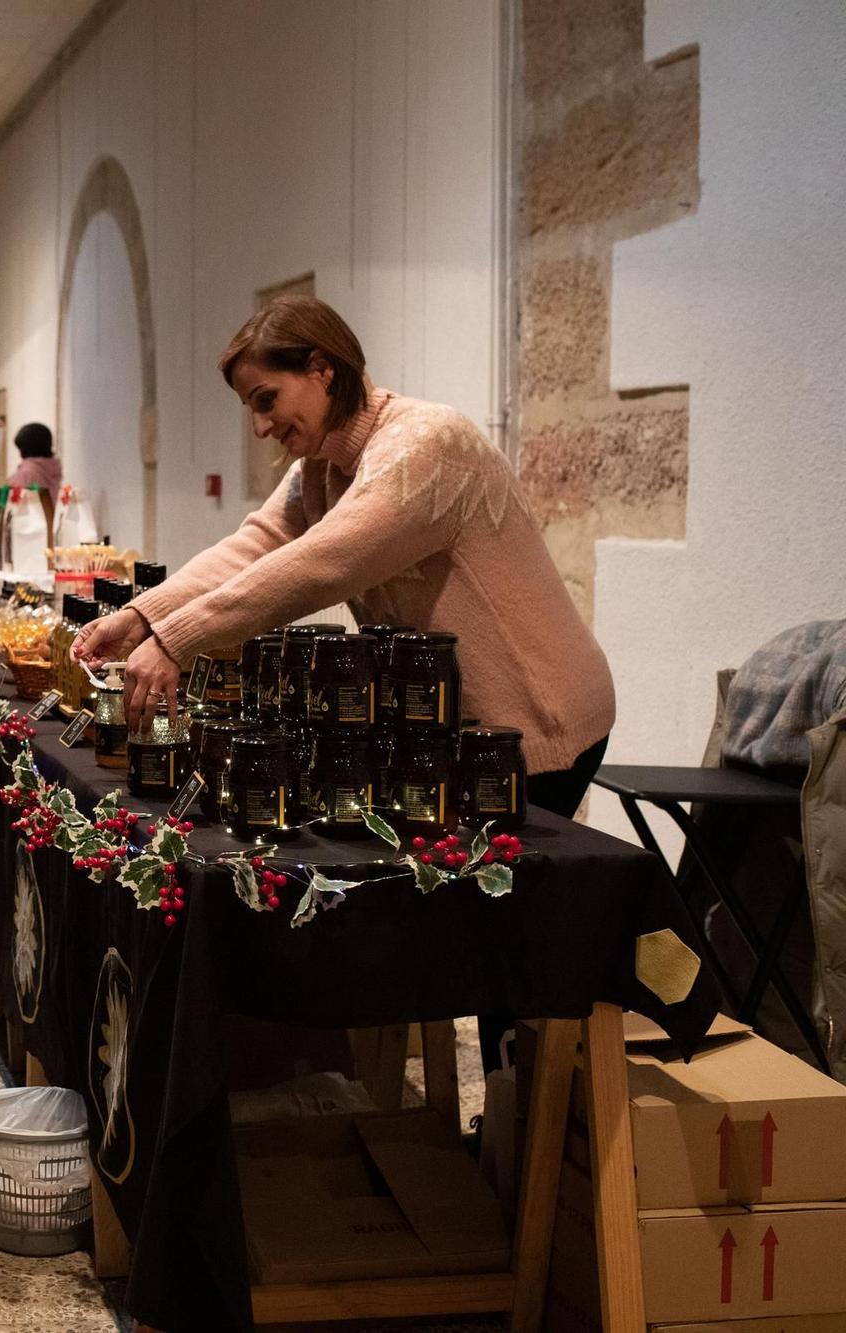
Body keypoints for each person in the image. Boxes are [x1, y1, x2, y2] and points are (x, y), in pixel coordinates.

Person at [74, 296, 616, 1066]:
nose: (261, 425)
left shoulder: (427, 445)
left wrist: (177, 639)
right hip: (458, 738)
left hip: (539, 720)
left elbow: (320, 565)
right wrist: (140, 616)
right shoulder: (324, 467)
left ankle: (521, 1117)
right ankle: (484, 1110)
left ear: (323, 370)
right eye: (251, 407)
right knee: (475, 932)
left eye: (268, 399)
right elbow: (256, 545)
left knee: (505, 944)